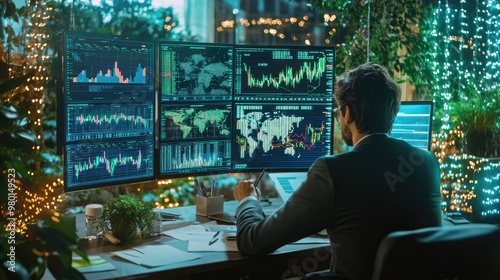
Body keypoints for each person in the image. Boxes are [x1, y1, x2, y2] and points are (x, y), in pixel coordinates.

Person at [233, 62, 442, 280]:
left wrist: (248, 200)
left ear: (348, 113)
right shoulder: (426, 162)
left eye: (338, 112)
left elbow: (253, 242)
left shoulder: (332, 170)